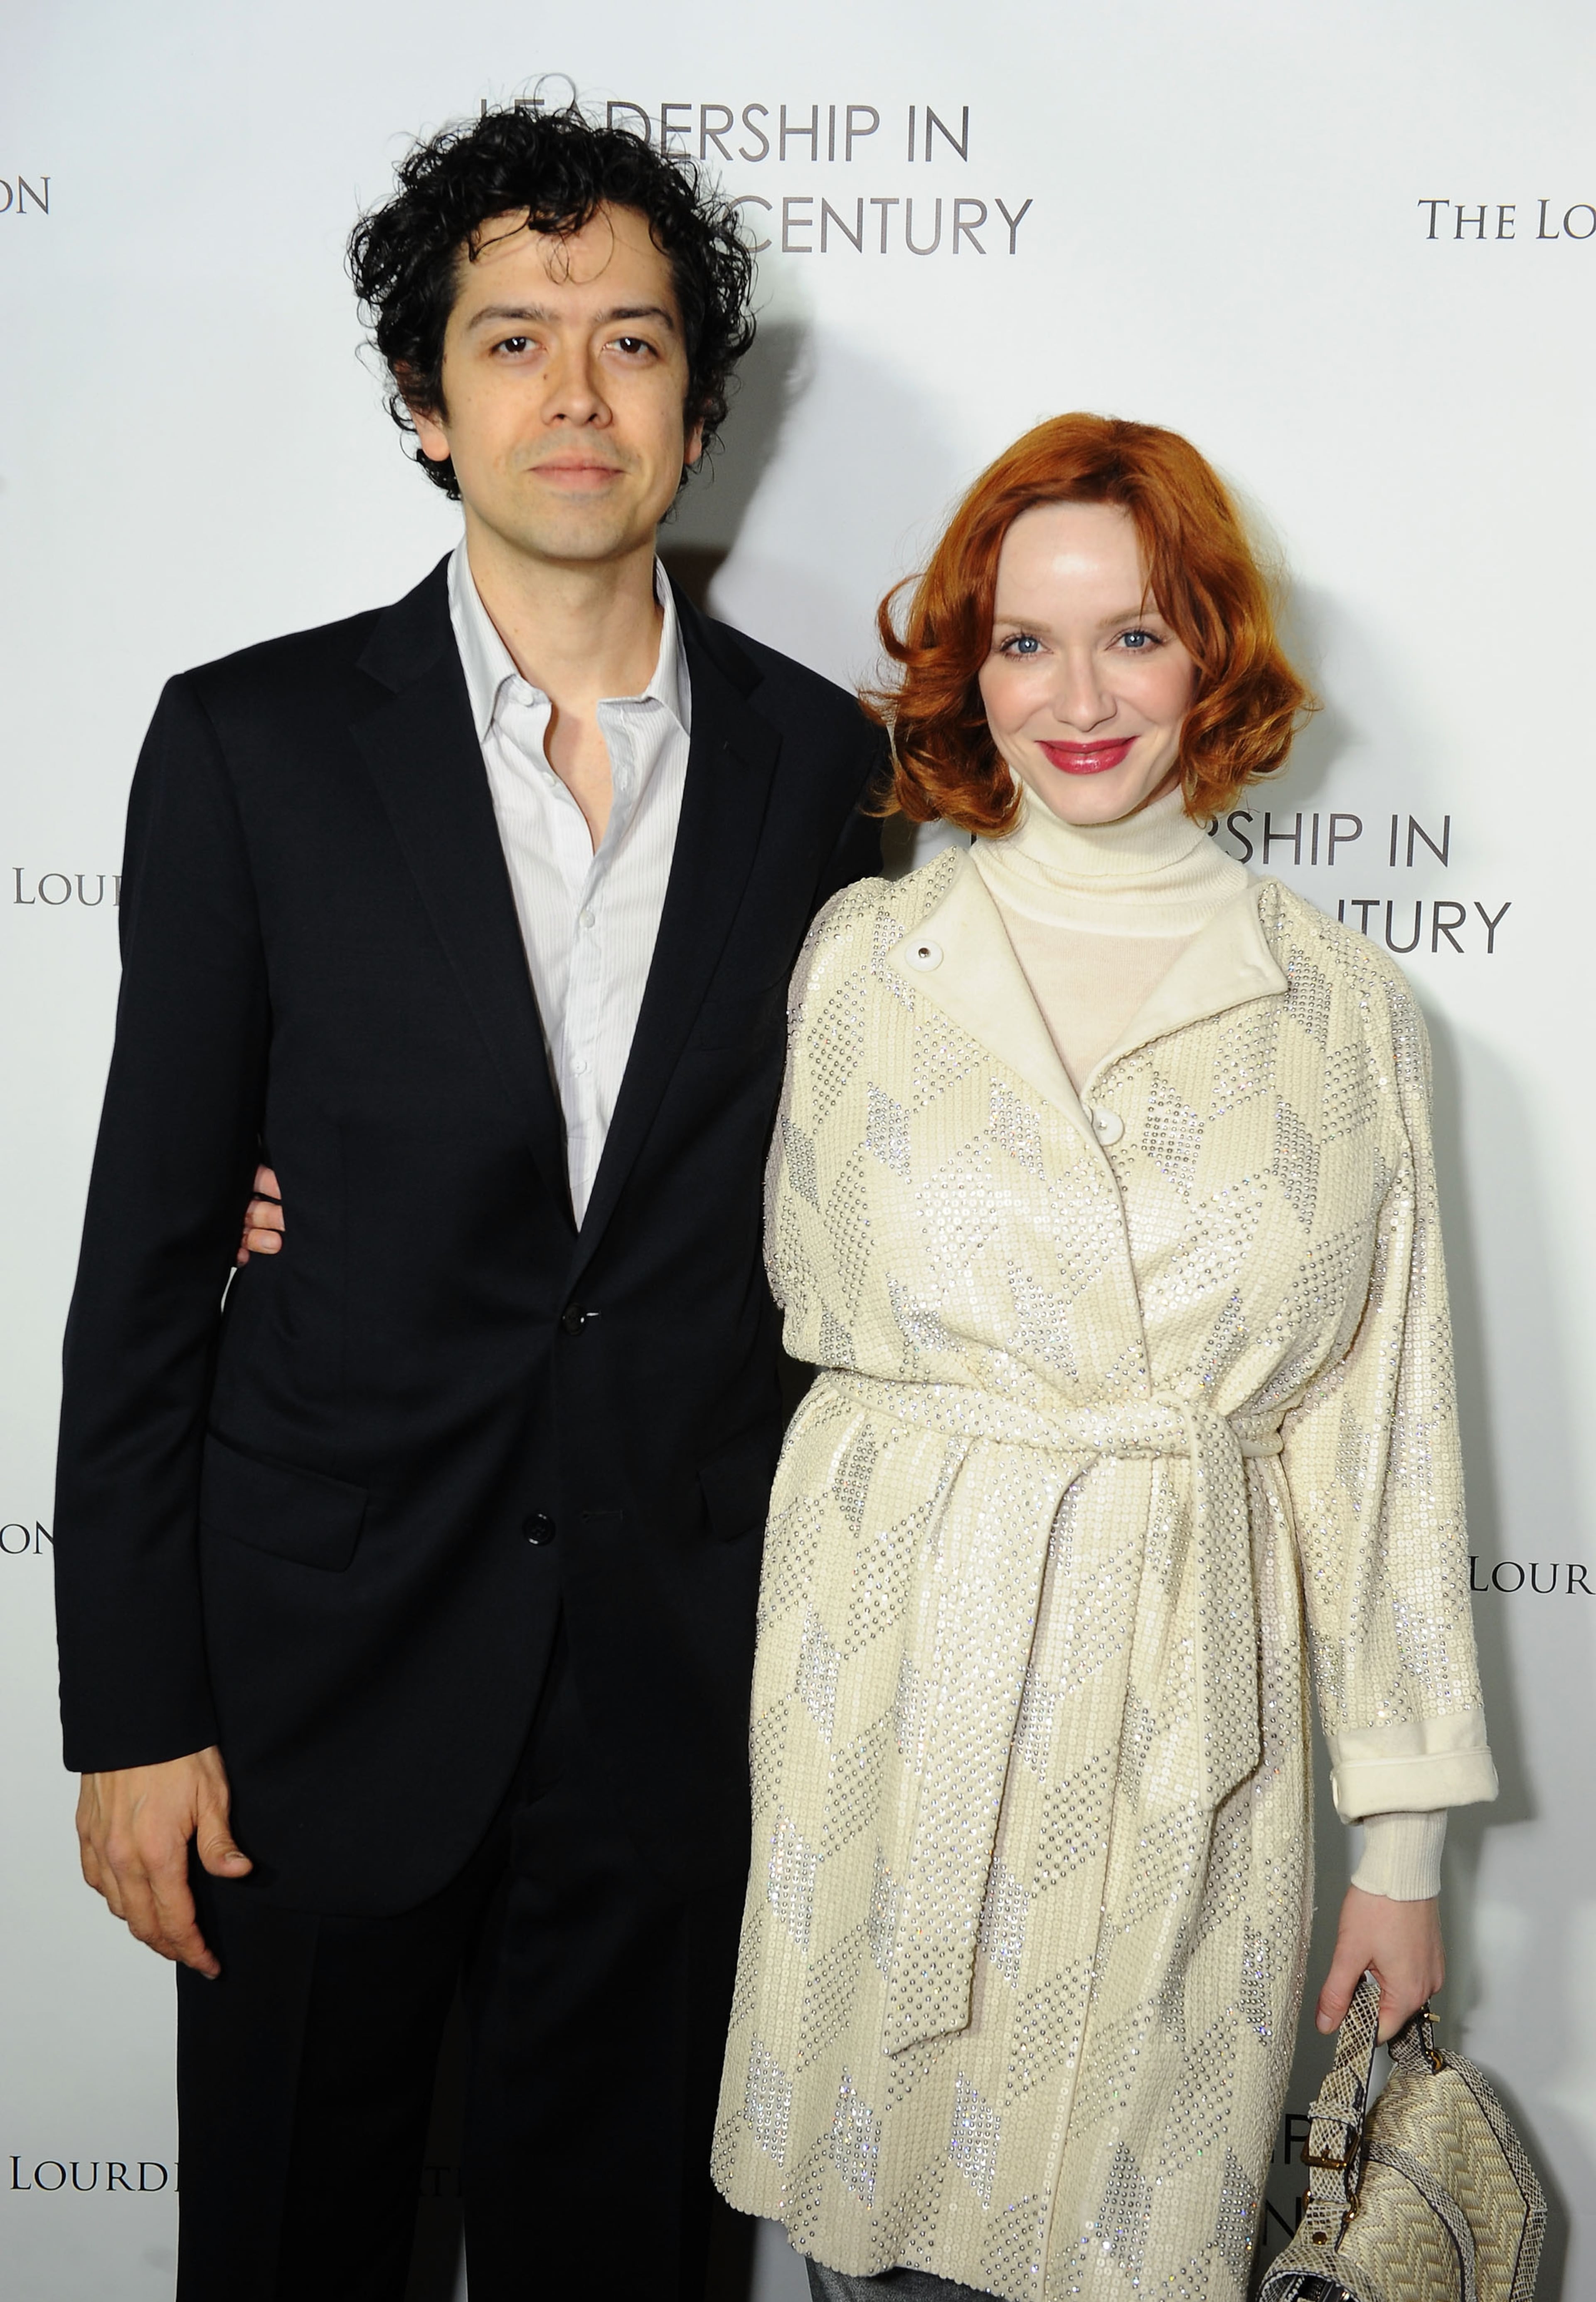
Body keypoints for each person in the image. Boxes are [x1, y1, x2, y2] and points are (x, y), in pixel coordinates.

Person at [54, 102, 882, 2301]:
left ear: (700, 408)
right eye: (514, 342)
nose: (577, 394)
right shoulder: (249, 746)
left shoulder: (826, 767)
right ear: (429, 406)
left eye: (630, 342)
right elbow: (143, 1262)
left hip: (676, 1694)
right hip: (314, 1679)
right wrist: (130, 1706)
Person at [711, 414, 1497, 2301]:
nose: (1079, 697)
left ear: (1212, 654)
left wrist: (1400, 1842)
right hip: (882, 1689)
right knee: (872, 2233)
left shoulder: (1343, 1011)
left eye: (1134, 636)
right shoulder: (859, 960)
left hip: (1179, 1718)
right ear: (966, 670)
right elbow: (655, 1261)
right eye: (1024, 641)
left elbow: (1382, 1437)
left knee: (1131, 2222)